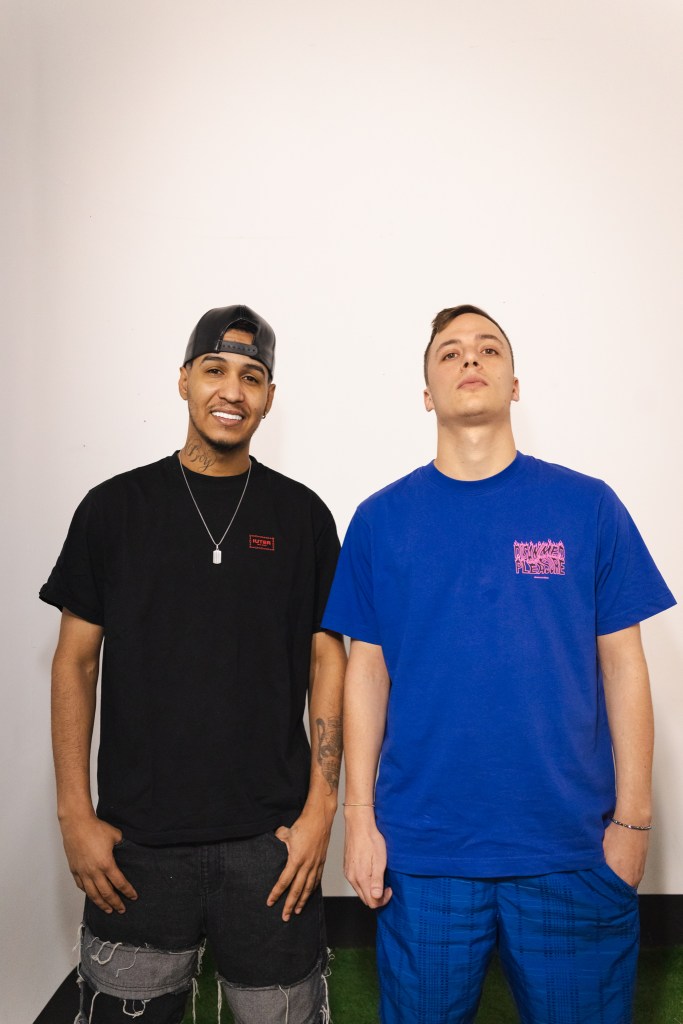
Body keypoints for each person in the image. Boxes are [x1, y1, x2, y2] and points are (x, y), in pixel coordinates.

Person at [322, 304, 675, 1024]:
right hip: (424, 856)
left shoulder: (586, 506)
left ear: (515, 384)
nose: (470, 359)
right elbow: (365, 672)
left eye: (488, 349)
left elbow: (624, 667)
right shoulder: (380, 520)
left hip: (571, 851)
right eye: (449, 352)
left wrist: (633, 823)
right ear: (426, 393)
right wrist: (358, 820)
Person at [40, 304, 346, 1024]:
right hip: (136, 847)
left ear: (269, 395)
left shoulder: (303, 516)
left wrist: (321, 809)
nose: (231, 391)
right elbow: (75, 662)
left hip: (270, 849)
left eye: (251, 377)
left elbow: (327, 661)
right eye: (214, 370)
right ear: (183, 380)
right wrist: (74, 812)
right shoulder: (114, 509)